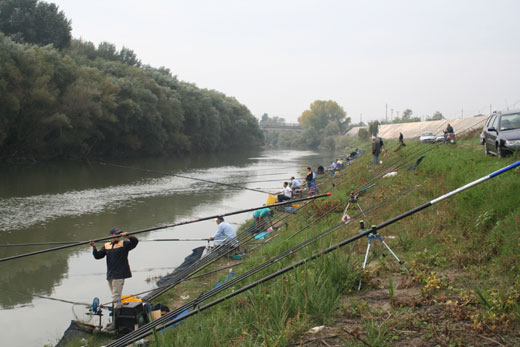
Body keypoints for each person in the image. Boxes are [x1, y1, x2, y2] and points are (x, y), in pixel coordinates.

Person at [90, 227, 138, 330]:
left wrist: (128, 236)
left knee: (115, 298)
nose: (118, 235)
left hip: (120, 274)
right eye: (116, 234)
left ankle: (115, 325)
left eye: (119, 234)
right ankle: (118, 321)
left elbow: (135, 242)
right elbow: (98, 256)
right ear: (111, 235)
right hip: (110, 275)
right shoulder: (106, 246)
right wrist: (94, 248)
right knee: (115, 298)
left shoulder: (124, 244)